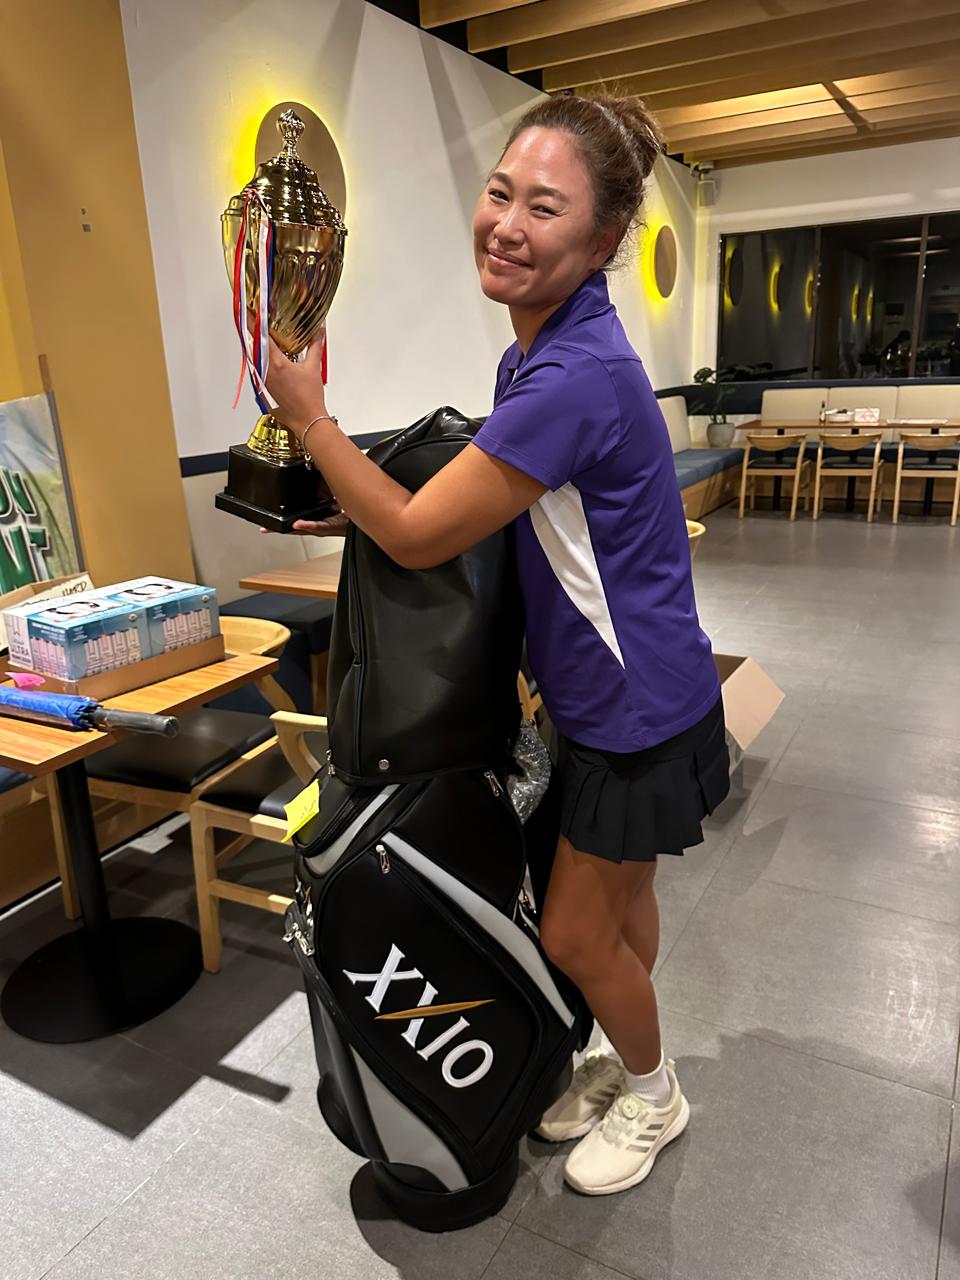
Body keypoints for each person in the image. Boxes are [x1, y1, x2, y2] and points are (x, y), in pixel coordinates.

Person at [262, 93, 729, 1197]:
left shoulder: (572, 375)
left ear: (601, 243)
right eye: (500, 192)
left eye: (545, 208)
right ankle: (621, 1050)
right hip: (626, 695)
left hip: (632, 709)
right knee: (620, 910)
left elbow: (421, 532)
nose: (508, 224)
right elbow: (492, 508)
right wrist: (348, 499)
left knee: (574, 933)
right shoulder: (548, 349)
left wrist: (309, 417)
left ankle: (655, 1092)